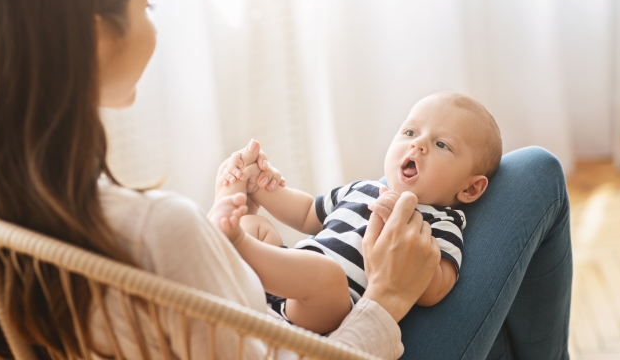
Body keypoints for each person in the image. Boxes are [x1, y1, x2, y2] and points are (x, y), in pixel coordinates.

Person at [0, 0, 572, 358]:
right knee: (538, 171)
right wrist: (387, 297)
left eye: (439, 145)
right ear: (97, 35)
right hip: (344, 337)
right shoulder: (157, 228)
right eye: (147, 3)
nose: (415, 146)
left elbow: (285, 240)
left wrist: (237, 233)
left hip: (285, 313)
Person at [212, 92, 501, 335]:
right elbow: (305, 214)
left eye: (441, 145)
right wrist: (260, 185)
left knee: (329, 278)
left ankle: (231, 243)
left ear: (471, 189)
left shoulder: (442, 223)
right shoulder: (364, 189)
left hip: (322, 316)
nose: (418, 144)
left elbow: (435, 290)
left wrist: (398, 231)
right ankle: (232, 229)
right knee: (256, 224)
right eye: (410, 132)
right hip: (276, 290)